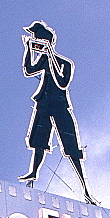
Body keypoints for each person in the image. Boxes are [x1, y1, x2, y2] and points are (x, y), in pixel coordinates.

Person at [19, 21, 96, 204]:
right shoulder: (44, 60)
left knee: (71, 147)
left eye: (38, 39)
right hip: (44, 103)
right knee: (39, 141)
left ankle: (85, 188)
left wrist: (51, 55)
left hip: (60, 105)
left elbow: (62, 82)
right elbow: (29, 69)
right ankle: (33, 173)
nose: (36, 41)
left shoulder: (64, 63)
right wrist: (29, 49)